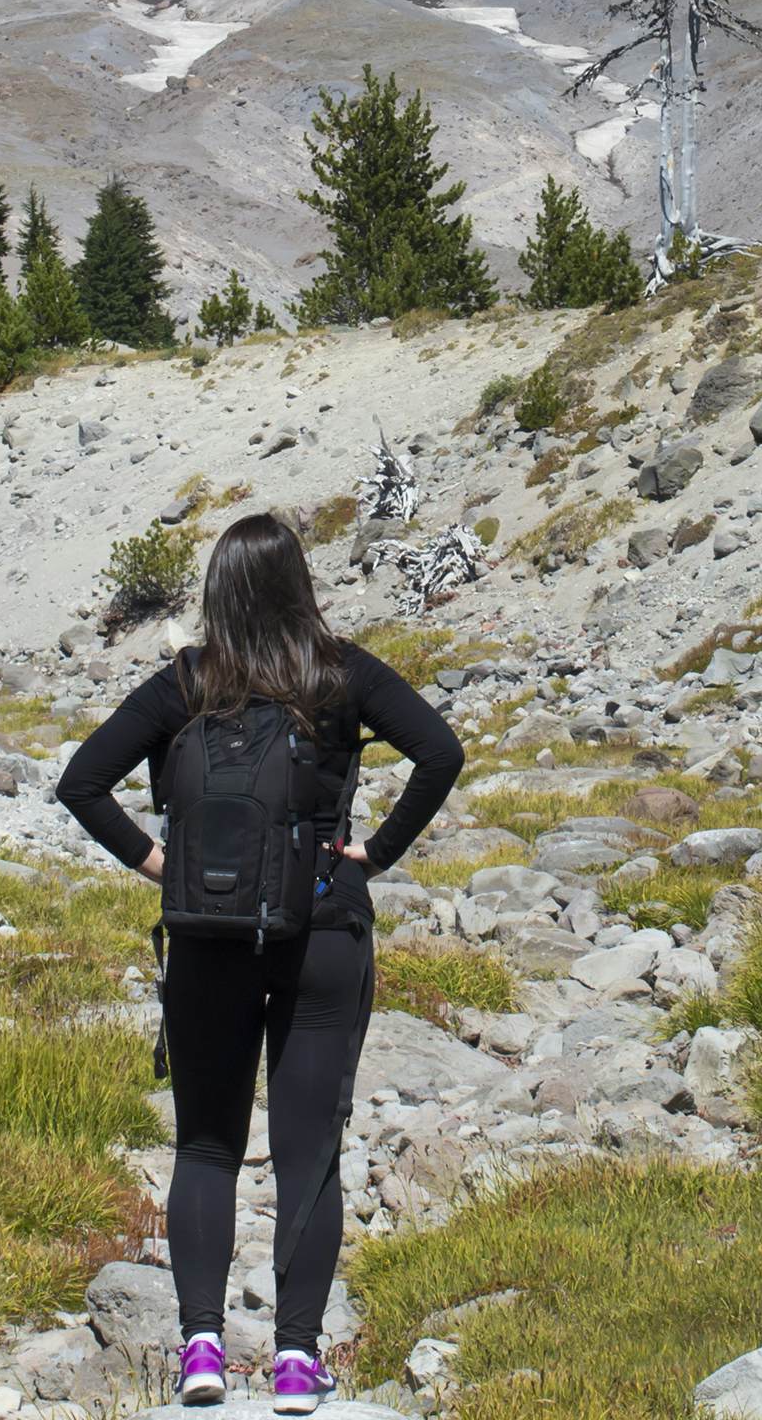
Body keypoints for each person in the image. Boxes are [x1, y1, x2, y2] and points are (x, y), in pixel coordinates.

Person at [56, 510, 463, 1413]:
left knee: (205, 1144)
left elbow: (82, 780)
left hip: (207, 936)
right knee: (308, 1152)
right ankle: (294, 1361)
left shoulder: (188, 682)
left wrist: (160, 864)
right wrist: (376, 852)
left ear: (219, 590)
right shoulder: (340, 673)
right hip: (323, 929)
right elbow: (441, 751)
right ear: (298, 585)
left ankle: (200, 1346)